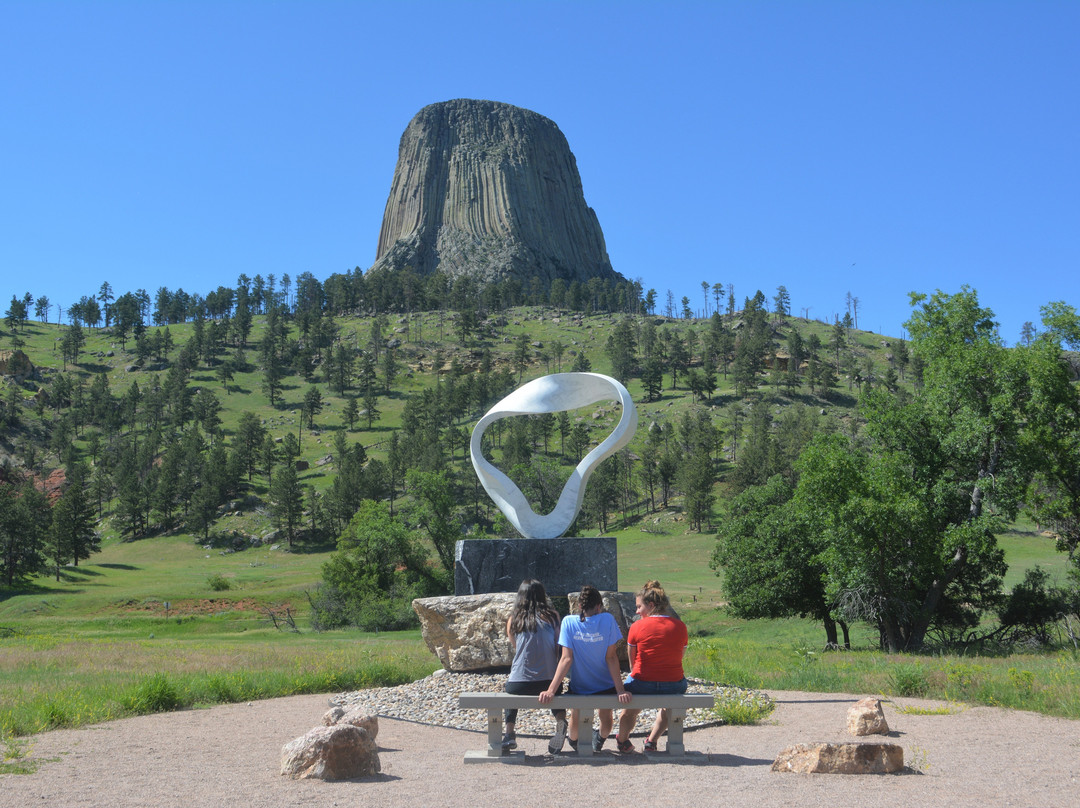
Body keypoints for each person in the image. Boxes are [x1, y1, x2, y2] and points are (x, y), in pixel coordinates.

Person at [539, 585, 631, 752]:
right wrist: (620, 690)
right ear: (599, 606)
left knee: (576, 716)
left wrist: (551, 690)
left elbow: (566, 659)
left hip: (580, 687)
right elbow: (611, 657)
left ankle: (573, 741)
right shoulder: (608, 620)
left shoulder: (568, 622)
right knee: (606, 719)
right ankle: (600, 739)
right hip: (605, 686)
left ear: (580, 606)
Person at [613, 580, 688, 753]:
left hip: (643, 683)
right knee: (669, 705)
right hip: (674, 684)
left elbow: (632, 663)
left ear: (651, 605)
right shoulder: (680, 626)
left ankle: (622, 741)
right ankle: (651, 741)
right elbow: (680, 657)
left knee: (629, 707)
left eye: (639, 607)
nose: (637, 611)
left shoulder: (637, 626)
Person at [502, 579, 568, 754]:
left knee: (509, 691)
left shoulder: (513, 619)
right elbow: (557, 647)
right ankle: (560, 721)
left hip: (519, 684)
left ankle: (509, 732)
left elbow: (517, 648)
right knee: (555, 687)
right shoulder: (553, 616)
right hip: (548, 681)